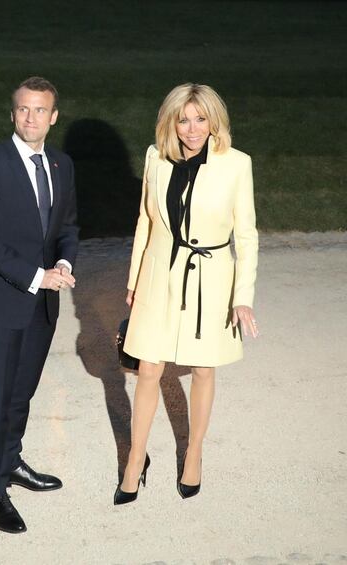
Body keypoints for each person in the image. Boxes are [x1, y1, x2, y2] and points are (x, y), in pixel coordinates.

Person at [116, 83, 259, 505]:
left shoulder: (236, 164)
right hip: (160, 273)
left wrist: (242, 295)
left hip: (211, 277)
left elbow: (247, 235)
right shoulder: (155, 158)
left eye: (200, 119)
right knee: (147, 370)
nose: (192, 129)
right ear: (171, 121)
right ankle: (134, 460)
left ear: (214, 121)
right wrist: (134, 278)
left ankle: (193, 452)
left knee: (203, 370)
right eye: (183, 119)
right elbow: (146, 219)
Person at [0, 77, 78, 533]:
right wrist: (37, 276)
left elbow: (67, 224)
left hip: (42, 305)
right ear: (13, 113)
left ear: (53, 117)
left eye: (40, 111)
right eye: (23, 109)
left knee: (21, 394)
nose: (30, 118)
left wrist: (66, 261)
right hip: (2, 302)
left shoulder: (62, 164)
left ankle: (10, 461)